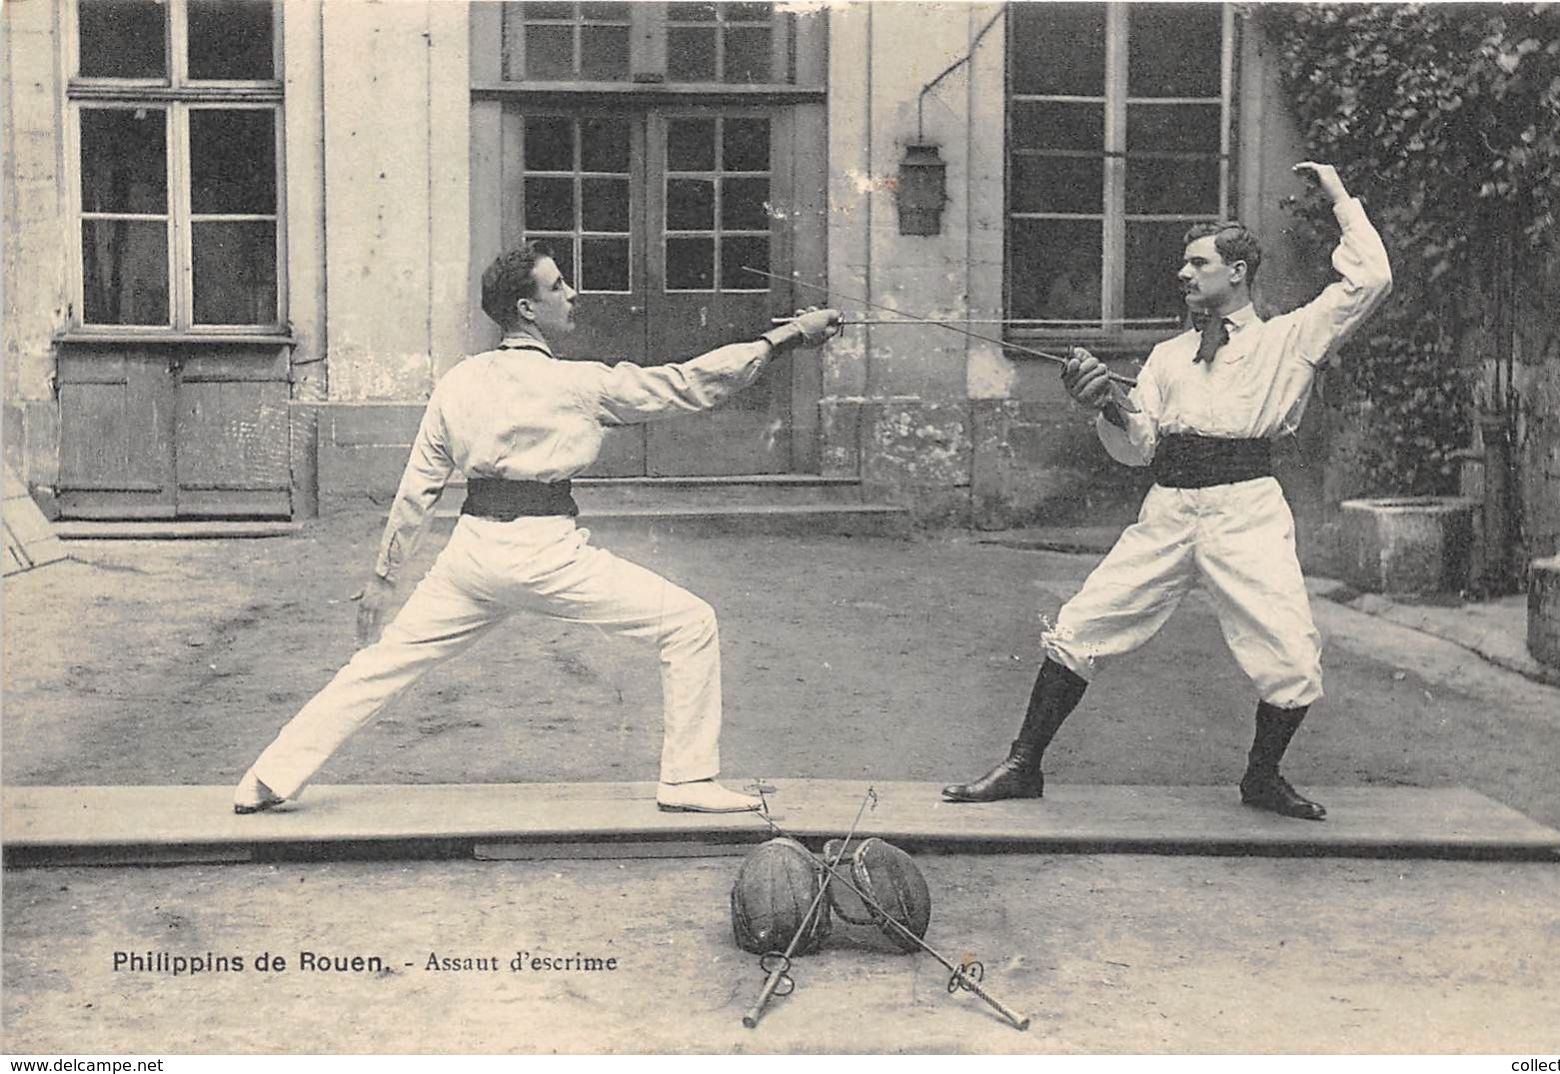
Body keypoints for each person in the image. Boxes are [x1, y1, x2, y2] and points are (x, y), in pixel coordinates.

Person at [233, 242, 841, 816]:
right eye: (558, 286)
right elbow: (688, 384)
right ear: (527, 308)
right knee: (690, 624)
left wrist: (382, 579)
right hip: (547, 553)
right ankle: (686, 779)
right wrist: (785, 337)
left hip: (470, 557)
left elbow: (418, 487)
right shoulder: (578, 383)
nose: (572, 294)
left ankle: (266, 778)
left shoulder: (460, 381)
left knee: (383, 662)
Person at [943, 162, 1391, 820]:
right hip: (1170, 511)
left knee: (1291, 656)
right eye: (1183, 265)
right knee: (1078, 627)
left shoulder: (1290, 339)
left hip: (1245, 513)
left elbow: (1371, 279)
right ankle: (1022, 765)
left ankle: (1260, 778)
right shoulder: (1166, 357)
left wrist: (1337, 196)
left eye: (1196, 263)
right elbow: (1141, 445)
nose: (1183, 274)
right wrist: (1103, 403)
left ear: (1236, 272)